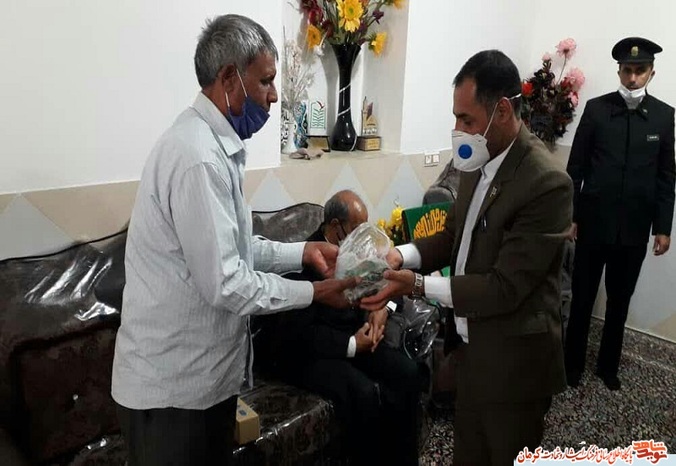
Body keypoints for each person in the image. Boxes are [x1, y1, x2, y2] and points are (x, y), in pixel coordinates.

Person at [111, 14, 356, 466]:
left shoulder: (214, 148)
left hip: (204, 386)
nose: (274, 95)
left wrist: (303, 251)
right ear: (228, 79)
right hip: (173, 395)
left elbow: (238, 248)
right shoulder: (198, 158)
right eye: (265, 81)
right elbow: (227, 282)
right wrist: (315, 292)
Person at [360, 50, 573, 466]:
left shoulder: (546, 183)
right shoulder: (476, 161)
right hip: (472, 351)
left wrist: (417, 285)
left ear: (503, 111)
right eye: (456, 118)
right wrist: (399, 255)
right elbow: (452, 236)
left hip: (514, 363)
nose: (458, 130)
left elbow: (504, 288)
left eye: (467, 120)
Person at [268, 190, 422, 466]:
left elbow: (390, 282)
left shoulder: (359, 250)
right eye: (357, 228)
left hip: (357, 334)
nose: (364, 236)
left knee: (407, 373)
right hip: (313, 352)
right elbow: (298, 335)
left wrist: (382, 309)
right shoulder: (304, 261)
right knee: (361, 392)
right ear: (336, 226)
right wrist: (352, 345)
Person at [564, 37, 675, 391]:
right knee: (582, 297)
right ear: (619, 71)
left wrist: (663, 227)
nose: (632, 78)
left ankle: (608, 366)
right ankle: (571, 364)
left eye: (640, 71)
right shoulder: (596, 110)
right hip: (593, 223)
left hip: (634, 228)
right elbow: (576, 167)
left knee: (619, 300)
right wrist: (571, 215)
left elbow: (666, 177)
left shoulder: (664, 116)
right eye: (627, 70)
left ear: (651, 73)